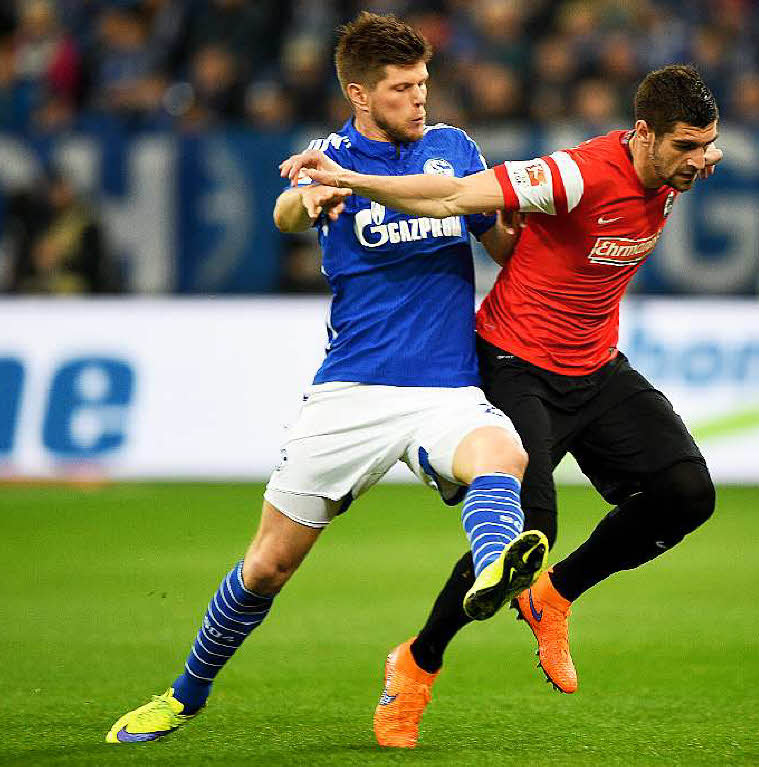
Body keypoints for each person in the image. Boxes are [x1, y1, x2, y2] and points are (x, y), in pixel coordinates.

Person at [106, 13, 549, 750]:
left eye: (424, 83)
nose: (420, 99)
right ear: (359, 92)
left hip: (444, 387)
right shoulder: (326, 158)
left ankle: (499, 562)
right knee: (268, 565)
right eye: (402, 88)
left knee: (502, 454)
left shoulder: (452, 149)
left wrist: (527, 227)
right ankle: (183, 694)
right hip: (350, 393)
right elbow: (287, 209)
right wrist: (303, 201)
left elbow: (499, 242)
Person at [282, 63, 722, 745]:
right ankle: (416, 664)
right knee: (525, 535)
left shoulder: (671, 169)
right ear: (642, 134)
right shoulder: (573, 174)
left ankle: (554, 596)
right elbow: (452, 197)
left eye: (707, 145)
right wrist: (352, 180)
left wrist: (696, 153)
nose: (700, 160)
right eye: (686, 147)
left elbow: (681, 160)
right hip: (516, 365)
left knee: (688, 492)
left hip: (597, 368)